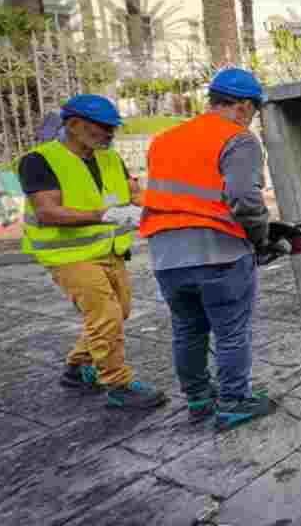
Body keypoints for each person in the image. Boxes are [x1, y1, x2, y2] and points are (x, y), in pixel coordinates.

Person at [141, 68, 276, 431]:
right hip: (218, 251)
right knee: (231, 332)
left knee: (187, 329)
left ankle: (199, 398)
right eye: (254, 111)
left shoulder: (163, 140)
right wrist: (261, 239)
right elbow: (245, 199)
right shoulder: (238, 138)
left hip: (165, 255)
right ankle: (233, 402)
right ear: (245, 106)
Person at [19, 94, 167, 410]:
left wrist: (156, 208)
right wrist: (105, 215)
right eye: (102, 127)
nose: (110, 134)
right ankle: (117, 384)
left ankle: (76, 367)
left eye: (112, 128)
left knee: (120, 311)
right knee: (106, 315)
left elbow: (134, 193)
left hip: (109, 249)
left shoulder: (110, 158)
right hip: (68, 255)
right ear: (73, 125)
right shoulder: (39, 160)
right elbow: (48, 212)